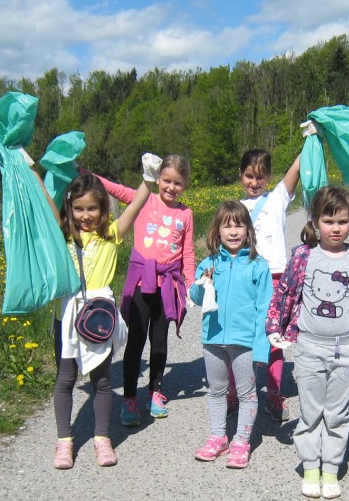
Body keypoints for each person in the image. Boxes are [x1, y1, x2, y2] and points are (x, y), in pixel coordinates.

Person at [266, 186, 349, 499]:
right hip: (309, 347)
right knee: (310, 412)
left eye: (343, 221)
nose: (336, 228)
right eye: (329, 220)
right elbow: (284, 294)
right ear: (315, 221)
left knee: (337, 413)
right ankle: (310, 466)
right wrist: (273, 326)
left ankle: (331, 467)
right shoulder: (302, 256)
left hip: (348, 350)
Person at [35, 166, 151, 470]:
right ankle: (64, 441)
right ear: (70, 209)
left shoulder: (112, 236)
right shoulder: (63, 234)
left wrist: (148, 179)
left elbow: (137, 204)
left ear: (103, 209)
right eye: (79, 209)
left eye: (93, 208)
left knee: (101, 380)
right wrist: (33, 169)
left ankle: (102, 438)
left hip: (99, 317)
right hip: (66, 316)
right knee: (65, 379)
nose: (86, 215)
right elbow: (45, 197)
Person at [97, 155, 196, 426]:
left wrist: (191, 283)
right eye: (166, 180)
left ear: (185, 185)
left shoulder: (186, 214)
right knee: (136, 340)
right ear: (158, 179)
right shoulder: (144, 199)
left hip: (168, 286)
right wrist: (82, 173)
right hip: (141, 283)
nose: (171, 187)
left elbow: (187, 252)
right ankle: (129, 398)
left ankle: (156, 392)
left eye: (178, 183)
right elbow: (113, 188)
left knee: (160, 341)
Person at [188, 201, 273, 468]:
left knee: (247, 393)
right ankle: (217, 437)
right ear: (217, 231)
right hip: (213, 339)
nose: (233, 231)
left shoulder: (258, 266)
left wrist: (262, 348)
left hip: (245, 342)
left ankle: (241, 441)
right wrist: (204, 282)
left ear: (248, 230)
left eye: (239, 225)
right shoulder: (210, 263)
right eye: (227, 225)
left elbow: (265, 310)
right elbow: (195, 296)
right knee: (216, 391)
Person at [235, 149, 303, 422]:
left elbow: (296, 169)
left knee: (275, 340)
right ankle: (236, 392)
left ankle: (274, 393)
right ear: (241, 175)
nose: (254, 182)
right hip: (245, 278)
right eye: (249, 176)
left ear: (269, 177)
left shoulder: (276, 198)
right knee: (239, 338)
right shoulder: (236, 208)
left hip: (275, 276)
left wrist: (312, 138)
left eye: (260, 177)